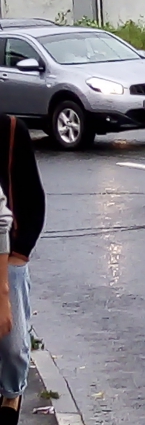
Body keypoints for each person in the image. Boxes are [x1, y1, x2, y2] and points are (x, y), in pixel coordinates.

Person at [0, 114, 46, 424]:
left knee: (13, 347)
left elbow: (33, 199)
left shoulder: (10, 130)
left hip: (8, 257)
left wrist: (20, 253)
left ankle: (12, 396)